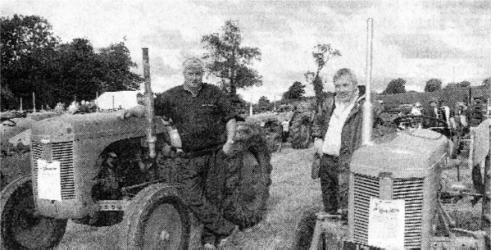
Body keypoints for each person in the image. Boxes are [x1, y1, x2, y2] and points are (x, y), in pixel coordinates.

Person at [121, 57, 238, 248]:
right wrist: (134, 110)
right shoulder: (173, 96)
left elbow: (230, 118)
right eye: (190, 74)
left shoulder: (214, 93)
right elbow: (151, 108)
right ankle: (226, 229)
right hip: (190, 156)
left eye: (198, 73)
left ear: (203, 74)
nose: (194, 77)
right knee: (192, 196)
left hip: (215, 153)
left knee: (213, 196)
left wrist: (229, 142)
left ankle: (209, 240)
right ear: (184, 75)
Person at [311, 68, 383, 216]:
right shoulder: (329, 103)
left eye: (345, 85)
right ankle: (332, 236)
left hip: (349, 163)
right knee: (330, 208)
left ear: (354, 85)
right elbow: (317, 121)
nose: (341, 90)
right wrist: (317, 138)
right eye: (337, 86)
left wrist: (367, 141)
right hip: (327, 162)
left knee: (350, 208)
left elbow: (387, 126)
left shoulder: (367, 104)